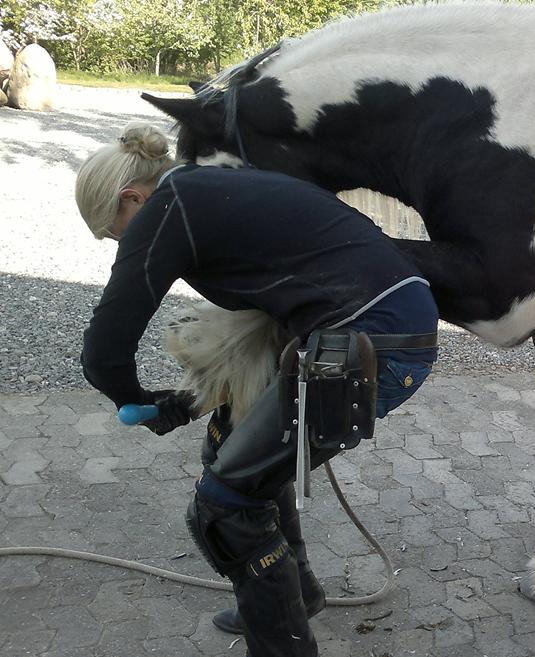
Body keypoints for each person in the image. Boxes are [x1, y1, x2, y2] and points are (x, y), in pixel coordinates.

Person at [75, 123, 439, 657]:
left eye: (117, 232)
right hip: (372, 328)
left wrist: (136, 400)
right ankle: (297, 594)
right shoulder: (205, 188)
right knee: (234, 442)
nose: (123, 244)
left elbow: (104, 353)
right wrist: (181, 403)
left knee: (225, 506)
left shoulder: (168, 208)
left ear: (133, 198)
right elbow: (262, 320)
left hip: (370, 347)